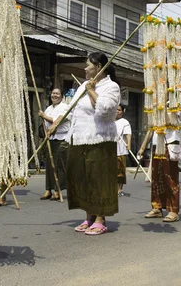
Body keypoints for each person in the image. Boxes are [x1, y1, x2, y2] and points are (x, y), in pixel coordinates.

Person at [52, 52, 119, 236]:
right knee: (82, 177)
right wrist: (56, 124)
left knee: (98, 178)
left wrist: (91, 90)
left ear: (98, 68)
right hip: (79, 138)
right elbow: (70, 110)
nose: (85, 68)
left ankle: (100, 218)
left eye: (88, 65)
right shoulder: (82, 85)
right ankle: (89, 216)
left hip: (99, 139)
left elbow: (105, 111)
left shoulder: (111, 87)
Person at [144, 111, 181, 222]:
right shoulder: (158, 105)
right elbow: (151, 128)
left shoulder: (176, 105)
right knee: (156, 178)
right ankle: (157, 207)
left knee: (170, 178)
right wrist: (143, 147)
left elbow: (169, 121)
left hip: (169, 143)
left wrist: (162, 107)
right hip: (157, 143)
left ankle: (173, 210)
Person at [38, 88, 70, 201]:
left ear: (61, 96)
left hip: (62, 139)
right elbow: (46, 124)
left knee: (59, 165)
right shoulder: (48, 108)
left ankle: (58, 190)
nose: (54, 95)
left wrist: (44, 116)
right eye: (53, 93)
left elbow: (57, 121)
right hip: (50, 139)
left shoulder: (65, 107)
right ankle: (48, 189)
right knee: (49, 165)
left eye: (57, 93)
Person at [114, 104, 132, 196]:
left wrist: (128, 144)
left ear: (122, 111)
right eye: (116, 109)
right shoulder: (109, 121)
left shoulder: (124, 122)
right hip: (110, 149)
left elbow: (128, 134)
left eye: (119, 110)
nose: (117, 111)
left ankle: (119, 189)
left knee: (120, 170)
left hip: (120, 149)